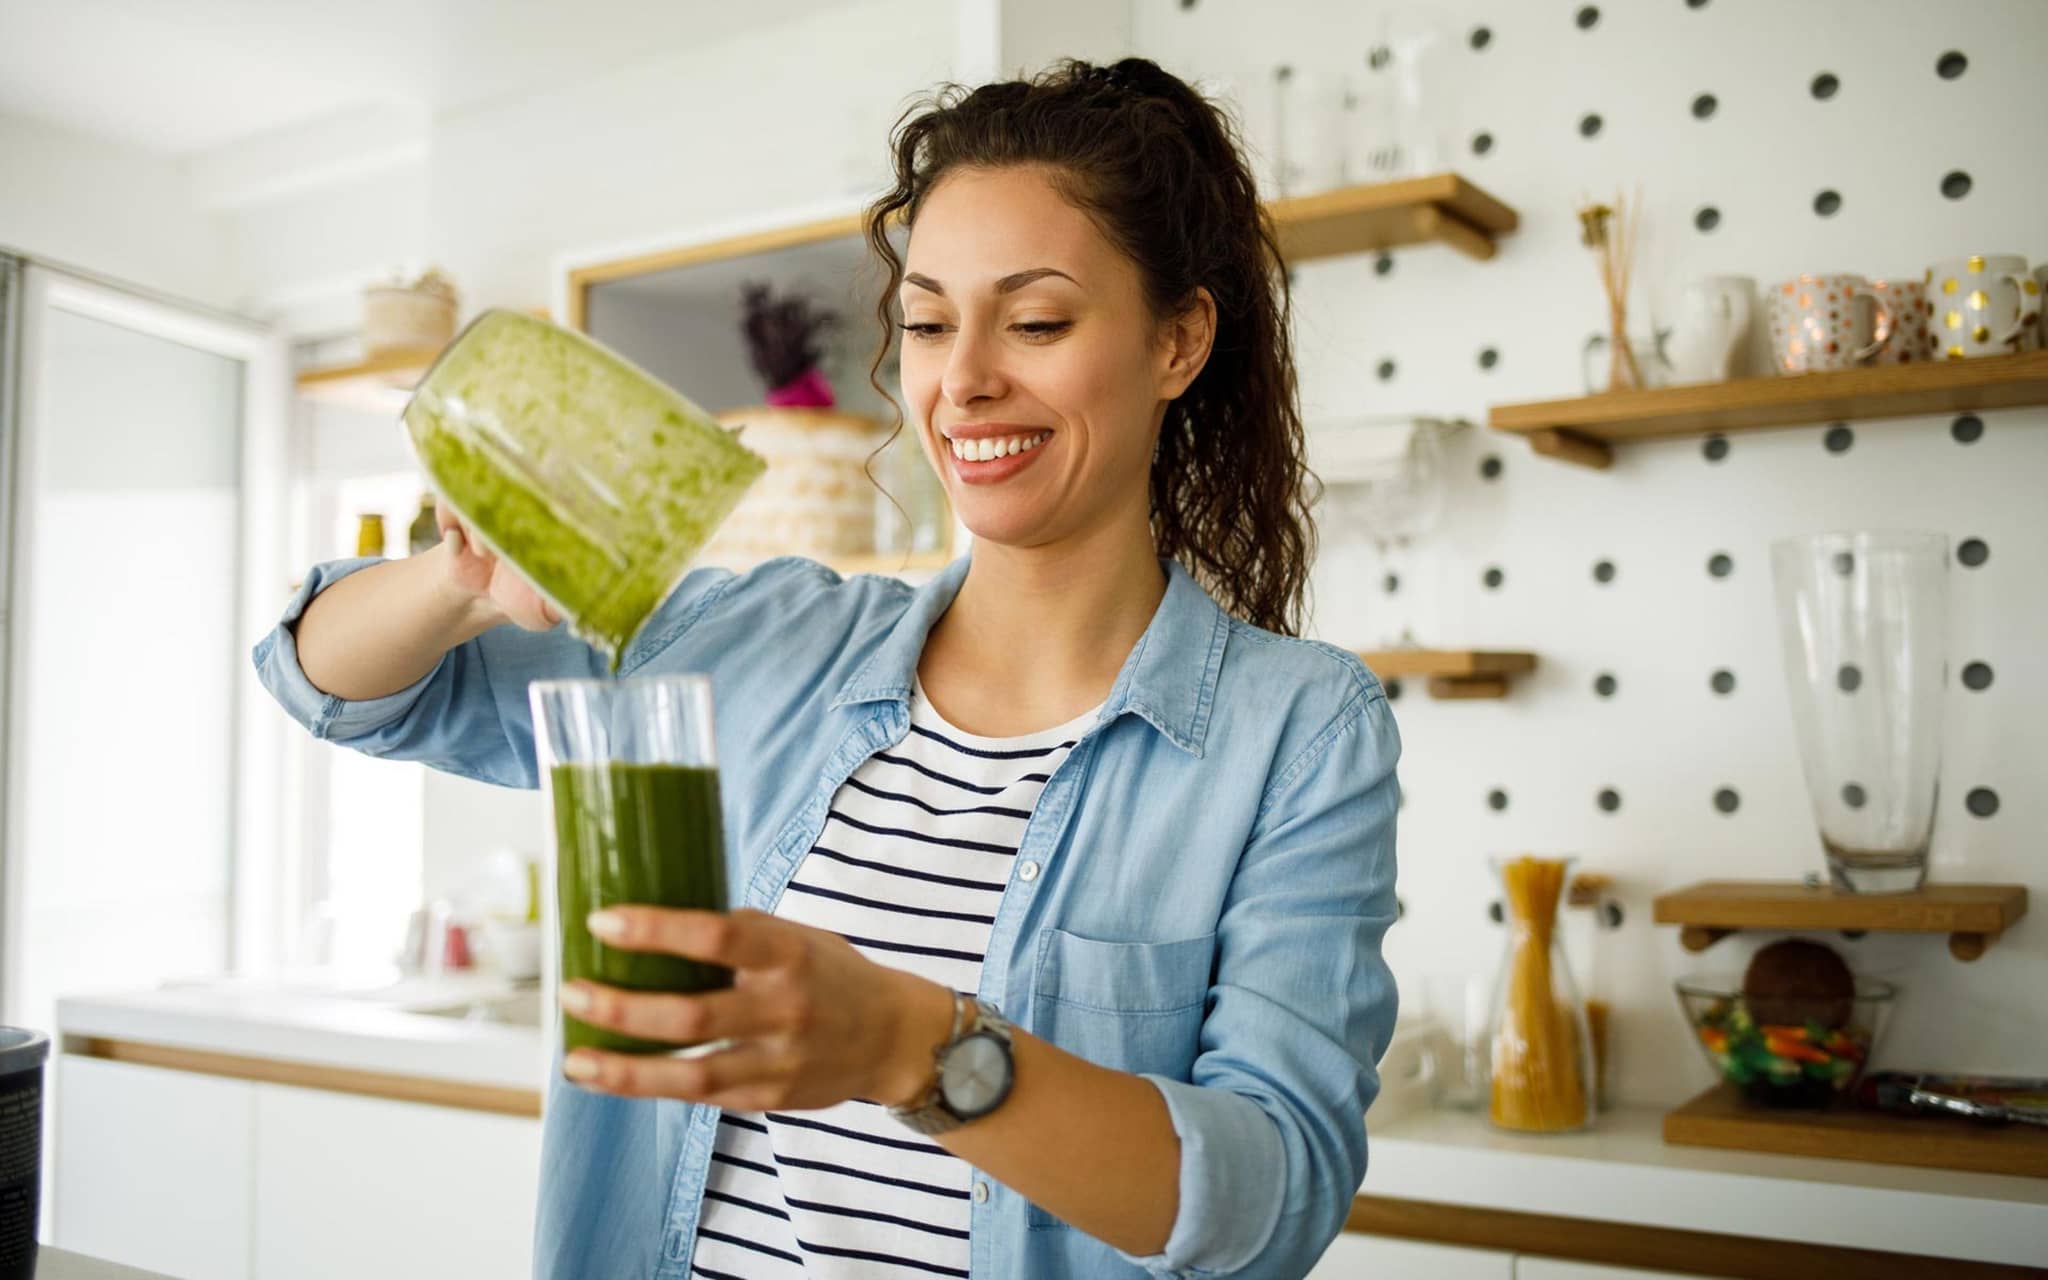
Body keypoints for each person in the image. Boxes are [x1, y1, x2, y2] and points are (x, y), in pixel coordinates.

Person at [254, 55, 1400, 1280]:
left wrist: (914, 1047)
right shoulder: (758, 640)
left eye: (1035, 321)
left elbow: (1272, 1198)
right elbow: (330, 680)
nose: (964, 380)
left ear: (1177, 341)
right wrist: (459, 575)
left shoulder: (1297, 730)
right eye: (927, 322)